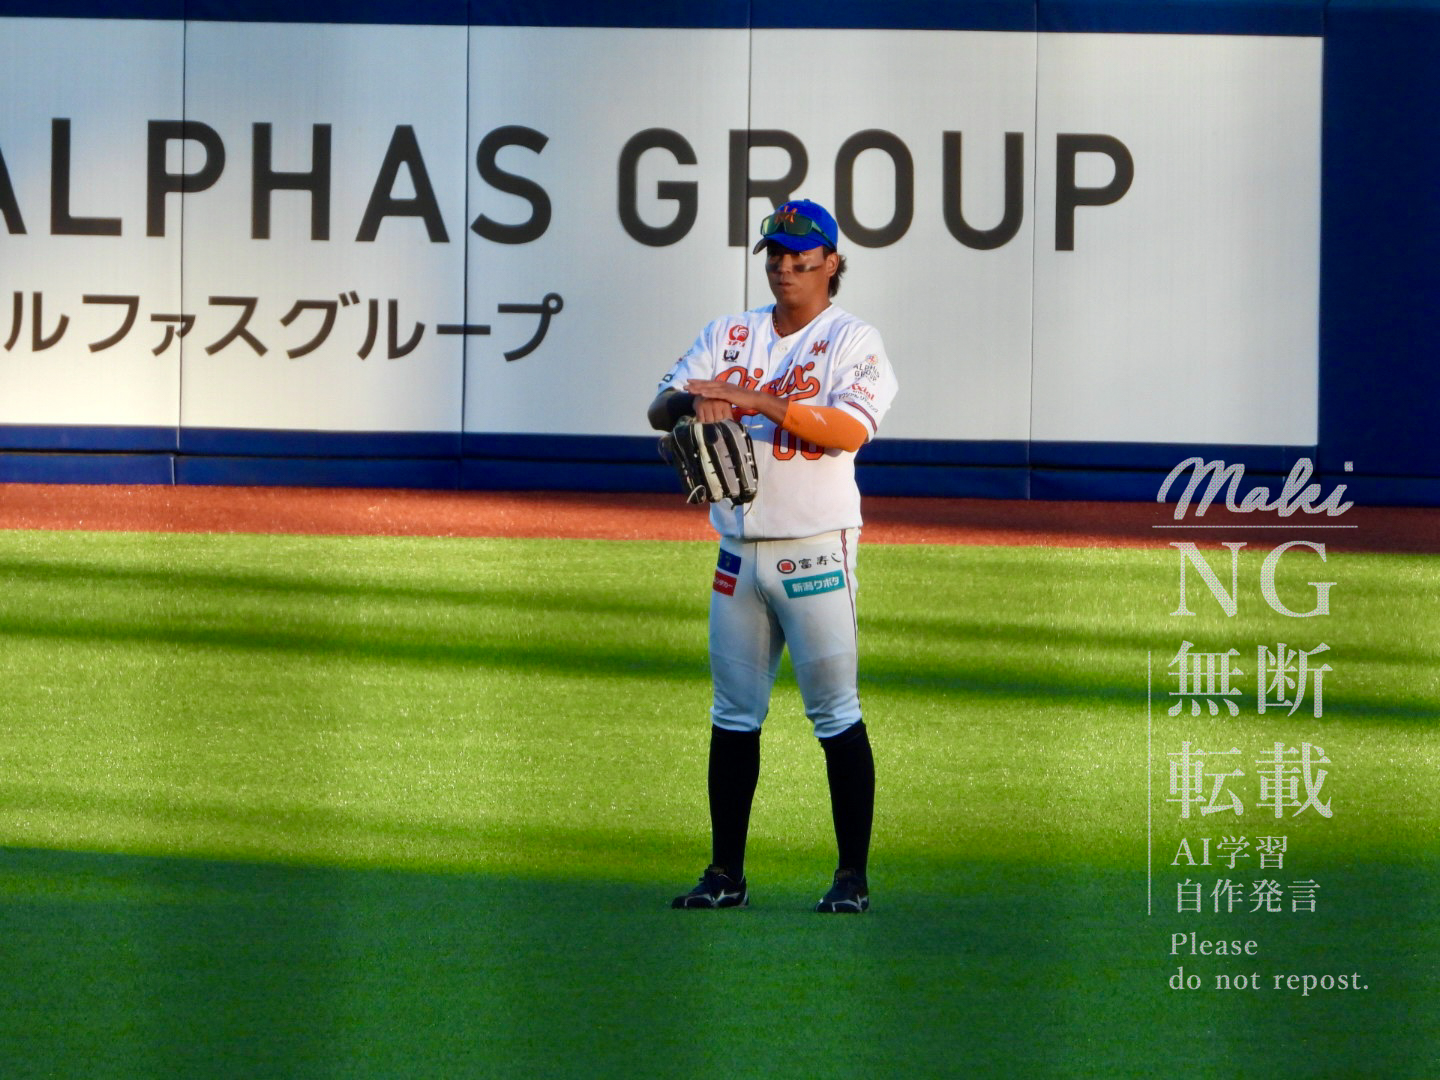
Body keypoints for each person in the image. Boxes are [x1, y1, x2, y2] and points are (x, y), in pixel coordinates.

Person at [647, 199, 899, 913]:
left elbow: (849, 429)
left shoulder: (853, 339)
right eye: (776, 257)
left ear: (831, 264)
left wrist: (753, 398)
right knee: (733, 714)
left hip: (816, 550)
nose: (785, 269)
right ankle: (725, 874)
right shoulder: (729, 331)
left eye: (800, 258)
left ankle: (851, 878)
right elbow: (660, 406)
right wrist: (693, 405)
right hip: (736, 553)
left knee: (835, 712)